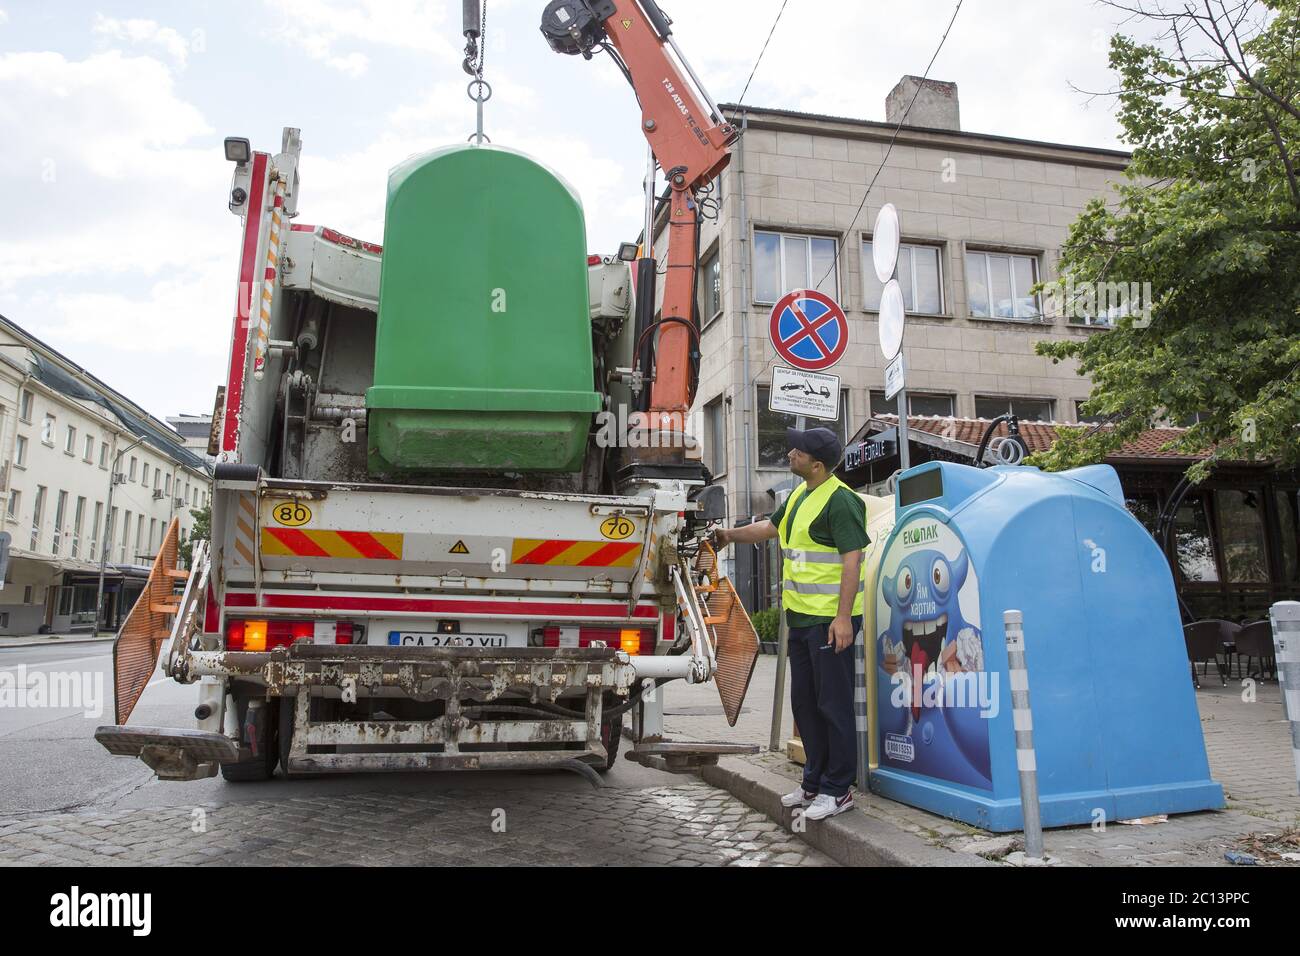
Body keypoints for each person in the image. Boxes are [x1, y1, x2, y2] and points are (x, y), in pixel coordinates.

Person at [714, 426, 868, 821]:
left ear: (816, 464)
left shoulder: (841, 501)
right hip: (800, 621)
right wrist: (728, 535)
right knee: (806, 704)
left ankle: (839, 789)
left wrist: (843, 618)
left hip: (829, 623)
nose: (790, 454)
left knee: (833, 706)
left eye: (797, 452)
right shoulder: (800, 494)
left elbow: (853, 560)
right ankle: (813, 782)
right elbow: (769, 528)